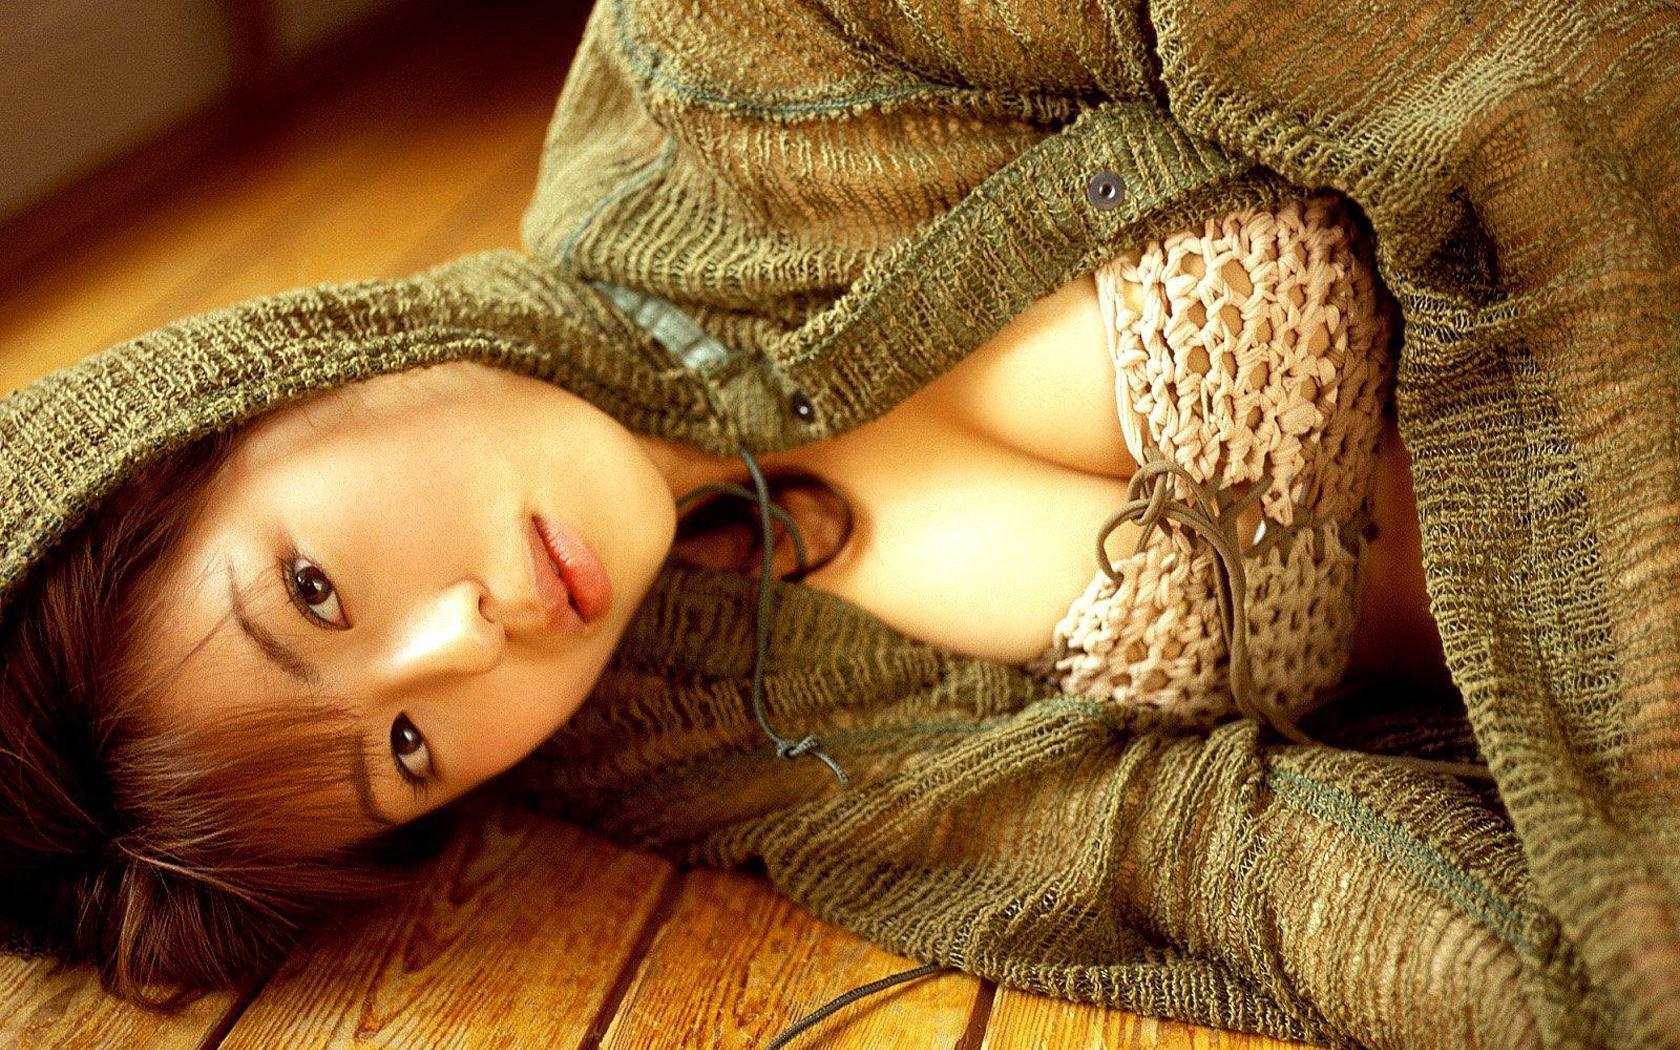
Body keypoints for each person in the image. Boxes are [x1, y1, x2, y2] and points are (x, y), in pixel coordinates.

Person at [2, 1, 1676, 1046]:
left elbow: (1449, 52)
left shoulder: (724, 56)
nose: (467, 640)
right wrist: (1604, 973)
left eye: (314, 589)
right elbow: (1190, 855)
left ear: (258, 385)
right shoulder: (686, 741)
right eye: (409, 749)